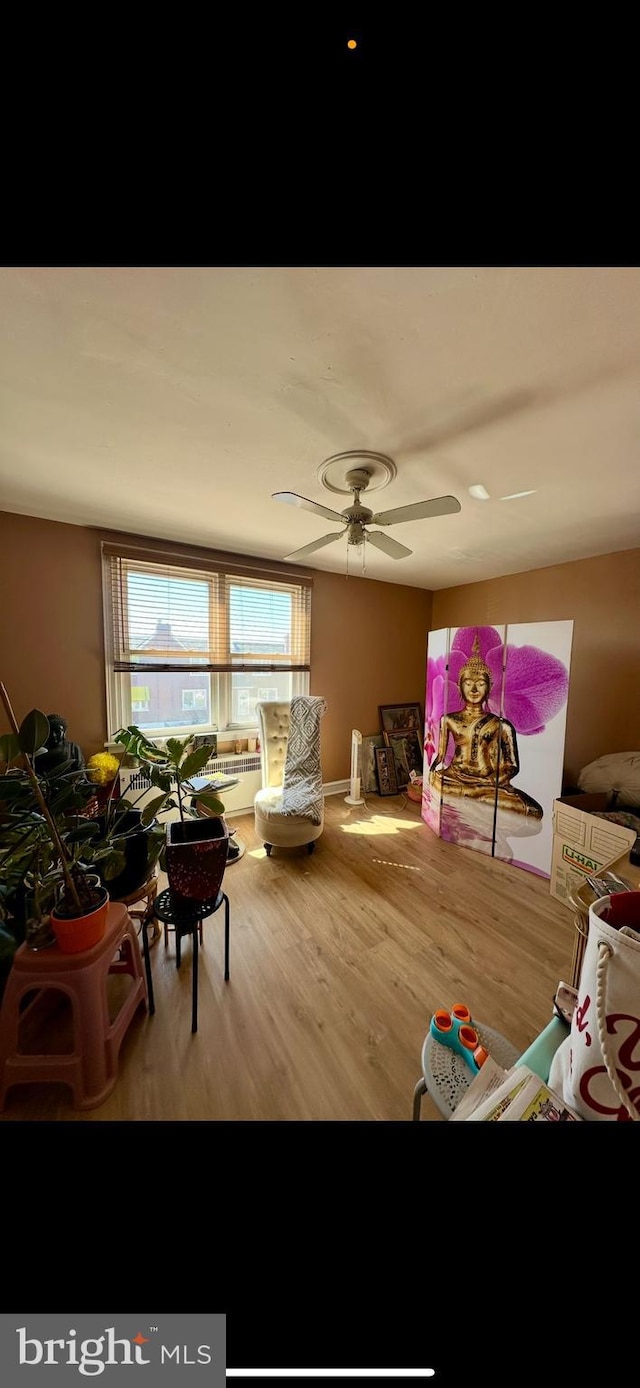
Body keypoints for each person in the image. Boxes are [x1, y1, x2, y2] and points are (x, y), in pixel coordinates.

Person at [428, 635, 543, 818]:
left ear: (490, 687)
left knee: (532, 811)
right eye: (468, 684)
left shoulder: (502, 725)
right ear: (459, 687)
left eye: (481, 684)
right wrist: (432, 773)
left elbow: (511, 766)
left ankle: (470, 801)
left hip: (487, 783)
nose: (474, 690)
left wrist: (490, 783)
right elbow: (440, 757)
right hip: (454, 777)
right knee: (437, 781)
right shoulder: (448, 719)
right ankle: (472, 802)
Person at [34, 713, 86, 780]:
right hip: (44, 786)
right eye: (50, 732)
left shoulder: (72, 748)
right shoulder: (39, 751)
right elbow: (32, 773)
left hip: (68, 786)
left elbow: (80, 770)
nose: (54, 735)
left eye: (57, 731)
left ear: (64, 732)